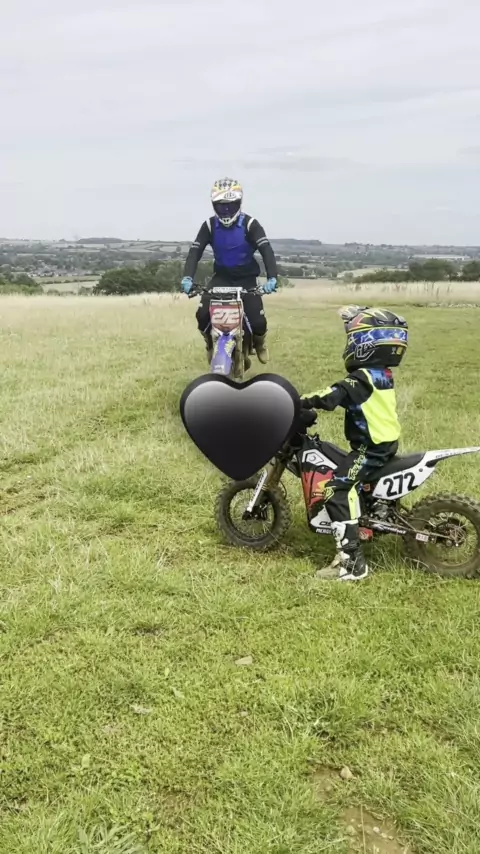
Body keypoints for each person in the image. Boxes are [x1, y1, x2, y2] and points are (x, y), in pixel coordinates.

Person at [300, 305, 409, 582]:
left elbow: (330, 396)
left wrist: (299, 400)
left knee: (336, 489)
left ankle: (351, 564)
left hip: (369, 449)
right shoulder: (382, 373)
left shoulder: (361, 379)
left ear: (363, 344)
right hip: (385, 443)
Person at [181, 178, 278, 366]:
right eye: (221, 206)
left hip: (247, 279)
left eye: (230, 206)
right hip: (222, 278)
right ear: (213, 206)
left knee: (258, 321)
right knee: (202, 315)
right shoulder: (209, 226)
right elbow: (195, 252)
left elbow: (266, 250)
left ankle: (259, 344)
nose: (226, 211)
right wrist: (187, 277)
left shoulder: (250, 224)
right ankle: (210, 343)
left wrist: (272, 278)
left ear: (239, 204)